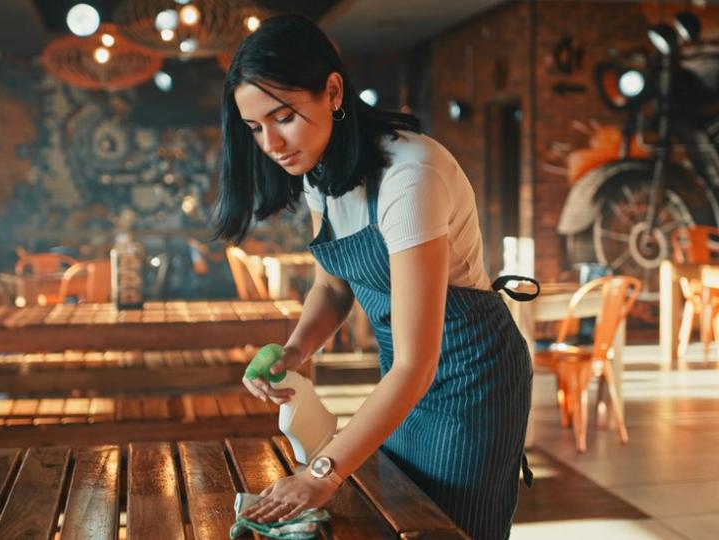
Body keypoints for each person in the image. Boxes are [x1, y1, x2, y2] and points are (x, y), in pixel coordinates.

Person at [214, 14, 536, 539]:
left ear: (333, 91)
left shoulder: (410, 176)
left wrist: (321, 473)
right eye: (255, 128)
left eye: (283, 117)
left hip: (472, 381)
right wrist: (294, 353)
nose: (271, 142)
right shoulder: (322, 170)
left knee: (450, 529)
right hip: (404, 376)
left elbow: (417, 362)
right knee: (400, 517)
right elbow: (333, 285)